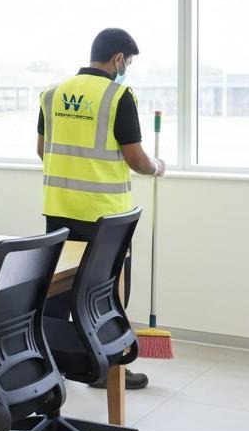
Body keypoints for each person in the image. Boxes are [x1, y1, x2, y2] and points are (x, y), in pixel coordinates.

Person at [38, 28, 165, 390]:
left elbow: (42, 149)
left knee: (56, 291)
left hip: (59, 209)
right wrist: (156, 165)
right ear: (118, 59)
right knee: (105, 294)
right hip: (105, 217)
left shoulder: (52, 95)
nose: (128, 69)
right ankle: (109, 370)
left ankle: (48, 371)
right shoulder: (118, 96)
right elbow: (135, 158)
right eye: (129, 62)